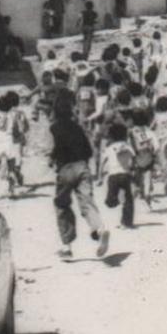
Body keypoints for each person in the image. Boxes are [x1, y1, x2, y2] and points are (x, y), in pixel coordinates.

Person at [50, 90, 108, 260]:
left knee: (62, 205)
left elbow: (53, 150)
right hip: (82, 167)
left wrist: (52, 159)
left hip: (65, 169)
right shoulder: (78, 128)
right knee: (87, 202)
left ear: (54, 112)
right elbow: (89, 151)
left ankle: (66, 247)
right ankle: (99, 228)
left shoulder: (53, 128)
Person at [101, 121, 138, 229]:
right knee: (129, 199)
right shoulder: (127, 146)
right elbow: (134, 157)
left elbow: (103, 162)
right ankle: (127, 222)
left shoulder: (109, 148)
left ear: (111, 136)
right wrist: (133, 169)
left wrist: (100, 175)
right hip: (126, 175)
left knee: (110, 201)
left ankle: (113, 201)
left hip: (113, 176)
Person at [0, 94, 23, 197]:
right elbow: (17, 131)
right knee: (11, 165)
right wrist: (18, 135)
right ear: (10, 106)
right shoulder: (12, 116)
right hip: (8, 143)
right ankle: (11, 185)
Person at [128, 108, 159, 209]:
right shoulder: (148, 131)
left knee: (137, 178)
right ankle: (147, 195)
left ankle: (138, 191)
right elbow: (157, 145)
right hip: (148, 157)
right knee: (147, 177)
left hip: (136, 158)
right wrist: (154, 153)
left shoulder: (131, 132)